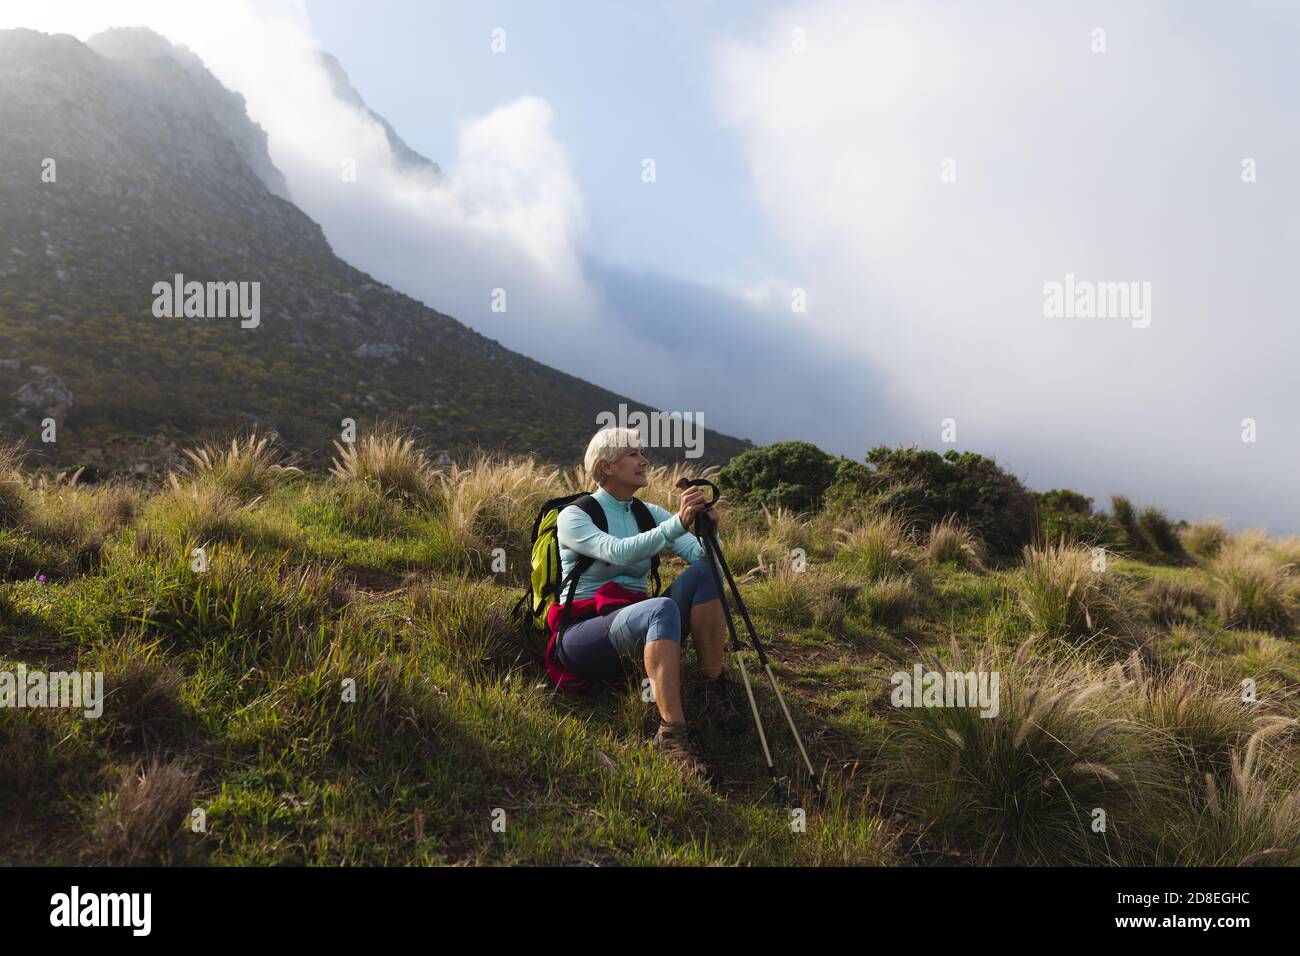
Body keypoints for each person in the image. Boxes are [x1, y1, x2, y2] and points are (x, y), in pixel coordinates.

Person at [555, 427, 746, 776]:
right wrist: (675, 524)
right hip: (582, 636)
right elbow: (616, 553)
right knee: (661, 607)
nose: (644, 460)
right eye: (633, 454)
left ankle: (711, 693)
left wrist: (708, 532)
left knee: (706, 572)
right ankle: (671, 736)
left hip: (636, 625)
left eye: (642, 452)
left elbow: (701, 558)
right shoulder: (574, 515)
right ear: (606, 466)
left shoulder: (648, 512)